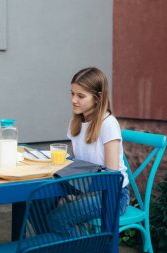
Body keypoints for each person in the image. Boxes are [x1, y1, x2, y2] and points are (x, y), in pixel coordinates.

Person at [46, 67, 129, 234]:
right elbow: (79, 165)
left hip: (113, 195)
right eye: (72, 93)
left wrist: (80, 196)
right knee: (37, 203)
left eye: (81, 96)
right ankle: (55, 245)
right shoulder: (76, 123)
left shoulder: (108, 124)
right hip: (86, 188)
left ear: (97, 98)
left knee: (56, 219)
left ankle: (86, 246)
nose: (74, 100)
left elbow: (111, 177)